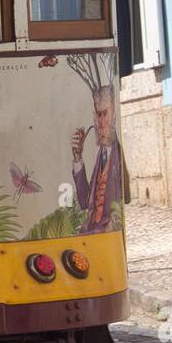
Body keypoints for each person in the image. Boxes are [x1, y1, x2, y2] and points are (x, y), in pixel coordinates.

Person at [71, 85, 123, 234]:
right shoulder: (102, 153)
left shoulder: (117, 154)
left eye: (105, 114)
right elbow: (85, 202)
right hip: (90, 233)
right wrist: (78, 159)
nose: (100, 123)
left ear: (114, 115)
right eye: (98, 115)